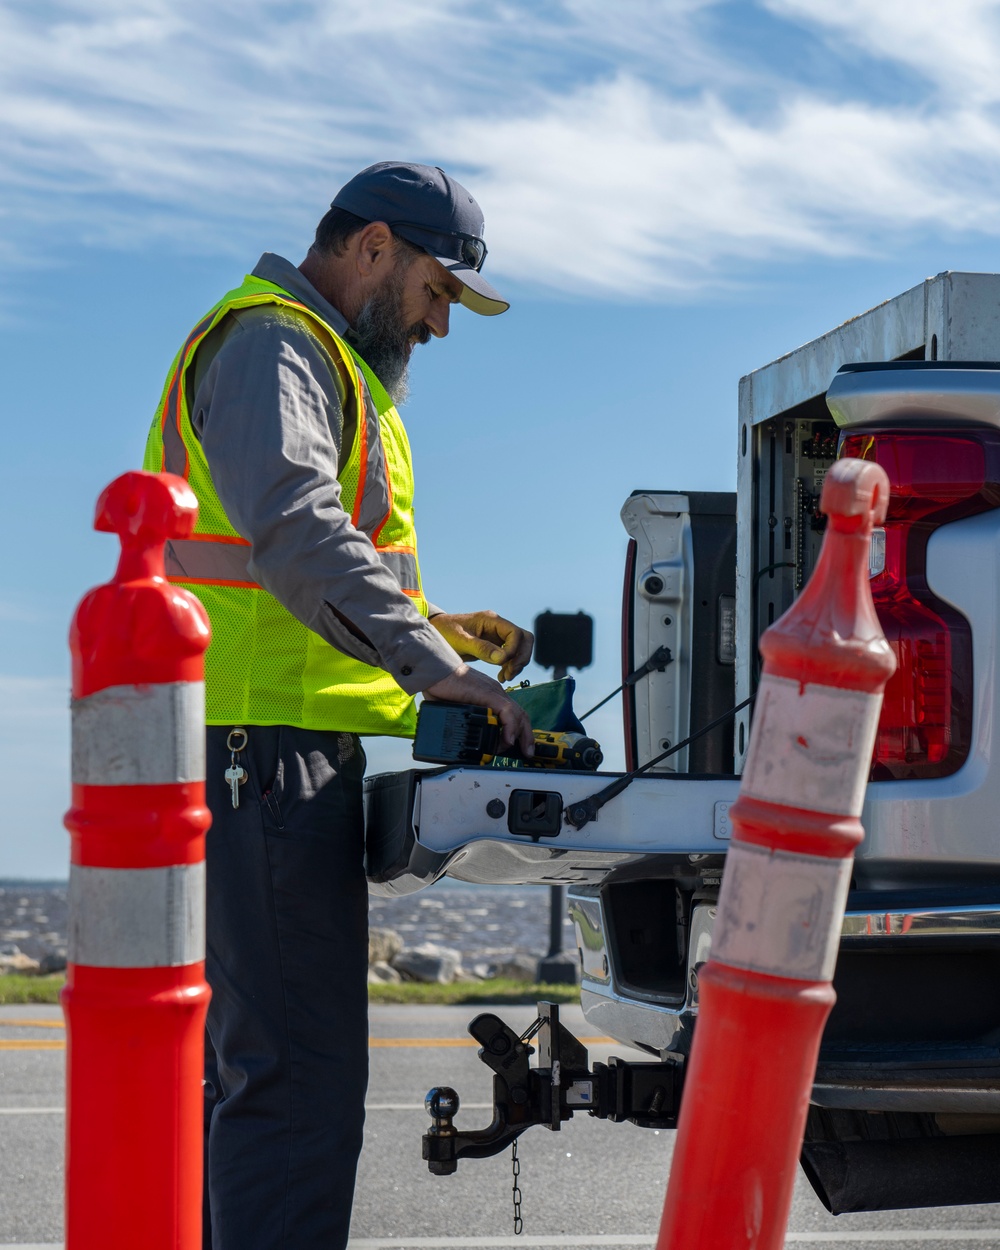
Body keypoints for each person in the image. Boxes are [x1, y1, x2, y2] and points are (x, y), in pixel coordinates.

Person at [142, 161, 535, 1250]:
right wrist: (431, 667)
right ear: (372, 247)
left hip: (259, 745)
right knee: (295, 1072)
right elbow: (297, 529)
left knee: (266, 1067)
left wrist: (435, 624)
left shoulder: (308, 353)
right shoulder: (278, 342)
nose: (439, 323)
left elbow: (302, 547)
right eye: (437, 291)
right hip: (258, 750)